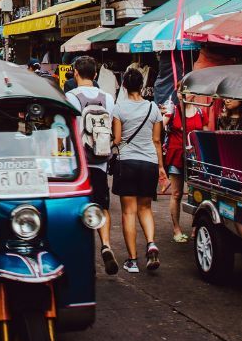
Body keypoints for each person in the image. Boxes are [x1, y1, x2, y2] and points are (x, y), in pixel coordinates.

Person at [65, 56, 119, 275]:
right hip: (100, 161)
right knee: (102, 206)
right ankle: (106, 244)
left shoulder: (70, 96)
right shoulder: (107, 98)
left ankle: (82, 254)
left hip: (78, 164)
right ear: (95, 75)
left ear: (76, 73)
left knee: (78, 209)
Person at [111, 68, 166, 274]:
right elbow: (157, 140)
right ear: (142, 86)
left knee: (129, 212)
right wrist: (161, 167)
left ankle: (132, 261)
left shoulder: (119, 108)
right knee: (145, 209)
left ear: (124, 85)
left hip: (127, 163)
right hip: (149, 163)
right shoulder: (153, 108)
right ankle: (151, 243)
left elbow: (117, 140)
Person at [165, 102, 208, 243]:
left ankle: (196, 227)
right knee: (176, 194)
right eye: (179, 91)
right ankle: (176, 228)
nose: (182, 94)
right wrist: (166, 115)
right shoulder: (174, 110)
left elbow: (205, 136)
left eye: (186, 90)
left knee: (196, 194)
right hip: (176, 155)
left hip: (195, 159)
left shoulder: (201, 112)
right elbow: (160, 125)